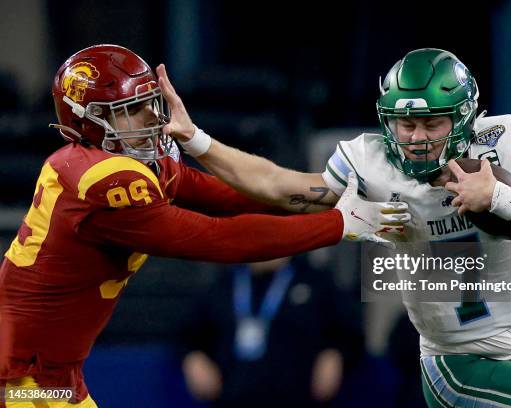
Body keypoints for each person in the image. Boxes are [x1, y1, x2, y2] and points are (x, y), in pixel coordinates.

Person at [166, 48, 511, 407]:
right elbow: (277, 185)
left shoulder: (504, 142)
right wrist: (196, 141)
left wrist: (498, 198)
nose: (416, 138)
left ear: (465, 118)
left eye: (432, 123)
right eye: (405, 123)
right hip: (458, 361)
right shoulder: (369, 165)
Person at [0, 44, 410, 408]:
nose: (149, 116)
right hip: (20, 380)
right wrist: (340, 224)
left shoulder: (128, 165)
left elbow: (246, 192)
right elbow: (222, 238)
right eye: (129, 110)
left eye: (149, 101)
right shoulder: (106, 181)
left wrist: (342, 189)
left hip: (50, 375)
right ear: (88, 122)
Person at [181, 256, 364, 407]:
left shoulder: (317, 283)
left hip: (298, 399)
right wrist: (193, 357)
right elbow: (188, 335)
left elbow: (351, 335)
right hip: (231, 397)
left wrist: (336, 354)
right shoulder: (223, 283)